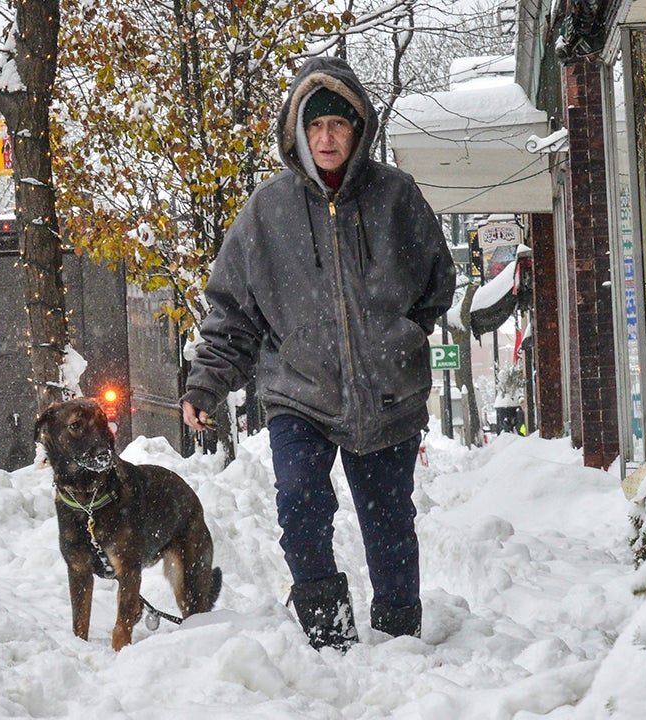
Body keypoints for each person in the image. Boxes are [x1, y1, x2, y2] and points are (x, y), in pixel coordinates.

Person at [180, 56, 455, 651]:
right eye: (315, 126)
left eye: (338, 124)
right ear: (298, 133)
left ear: (358, 128)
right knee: (301, 506)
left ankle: (398, 636)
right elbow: (232, 309)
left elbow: (437, 282)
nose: (326, 137)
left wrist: (397, 334)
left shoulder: (396, 197)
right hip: (297, 392)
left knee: (389, 522)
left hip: (387, 394)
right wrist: (205, 383)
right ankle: (329, 637)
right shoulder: (267, 211)